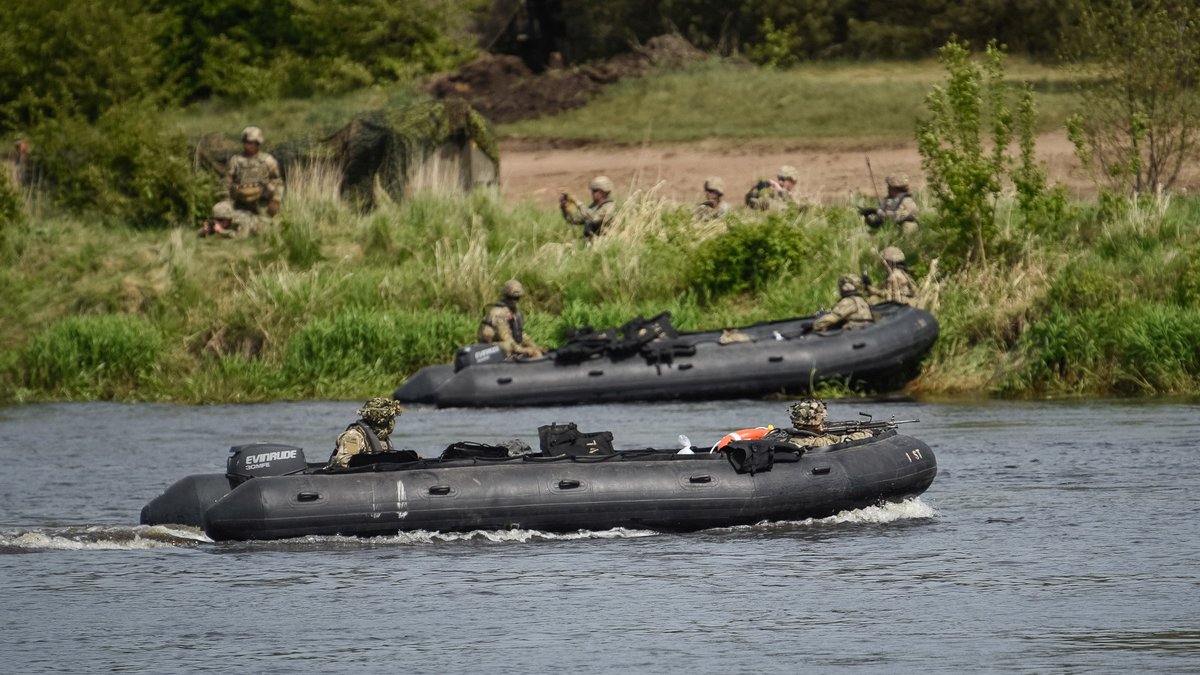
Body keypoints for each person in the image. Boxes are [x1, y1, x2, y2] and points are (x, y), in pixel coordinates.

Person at [216, 126, 283, 235]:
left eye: (250, 142)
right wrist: (226, 201)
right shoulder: (236, 160)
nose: (247, 145)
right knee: (221, 213)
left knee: (271, 229)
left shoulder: (268, 161)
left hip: (262, 205)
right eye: (245, 142)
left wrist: (275, 200)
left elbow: (278, 182)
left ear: (258, 143)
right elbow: (226, 183)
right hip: (240, 204)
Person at [328, 397, 405, 468]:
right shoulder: (353, 438)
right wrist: (373, 461)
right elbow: (344, 462)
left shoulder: (381, 436)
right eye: (389, 418)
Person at [478, 279, 544, 359]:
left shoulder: (516, 313)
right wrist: (522, 350)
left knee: (533, 350)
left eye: (517, 298)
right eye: (511, 298)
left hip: (507, 343)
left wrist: (534, 346)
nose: (514, 301)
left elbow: (521, 334)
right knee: (508, 346)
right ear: (506, 296)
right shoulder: (498, 313)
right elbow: (505, 336)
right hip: (489, 347)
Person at [770, 399, 873, 449]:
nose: (823, 423)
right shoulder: (816, 442)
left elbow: (832, 438)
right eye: (821, 420)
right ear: (815, 424)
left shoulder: (787, 437)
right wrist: (866, 433)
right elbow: (844, 441)